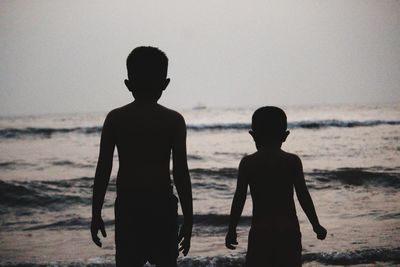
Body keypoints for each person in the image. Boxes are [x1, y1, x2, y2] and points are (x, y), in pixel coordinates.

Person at [90, 46, 193, 267]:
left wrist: (95, 212)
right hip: (162, 206)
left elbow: (103, 169)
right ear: (165, 84)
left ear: (128, 84)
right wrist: (189, 217)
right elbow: (181, 172)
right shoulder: (173, 120)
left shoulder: (116, 119)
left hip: (129, 206)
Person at [225, 106, 327, 266]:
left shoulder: (248, 163)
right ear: (285, 136)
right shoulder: (292, 161)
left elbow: (239, 198)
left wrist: (232, 229)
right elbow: (303, 195)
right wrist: (316, 225)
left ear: (253, 135)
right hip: (288, 230)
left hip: (261, 230)